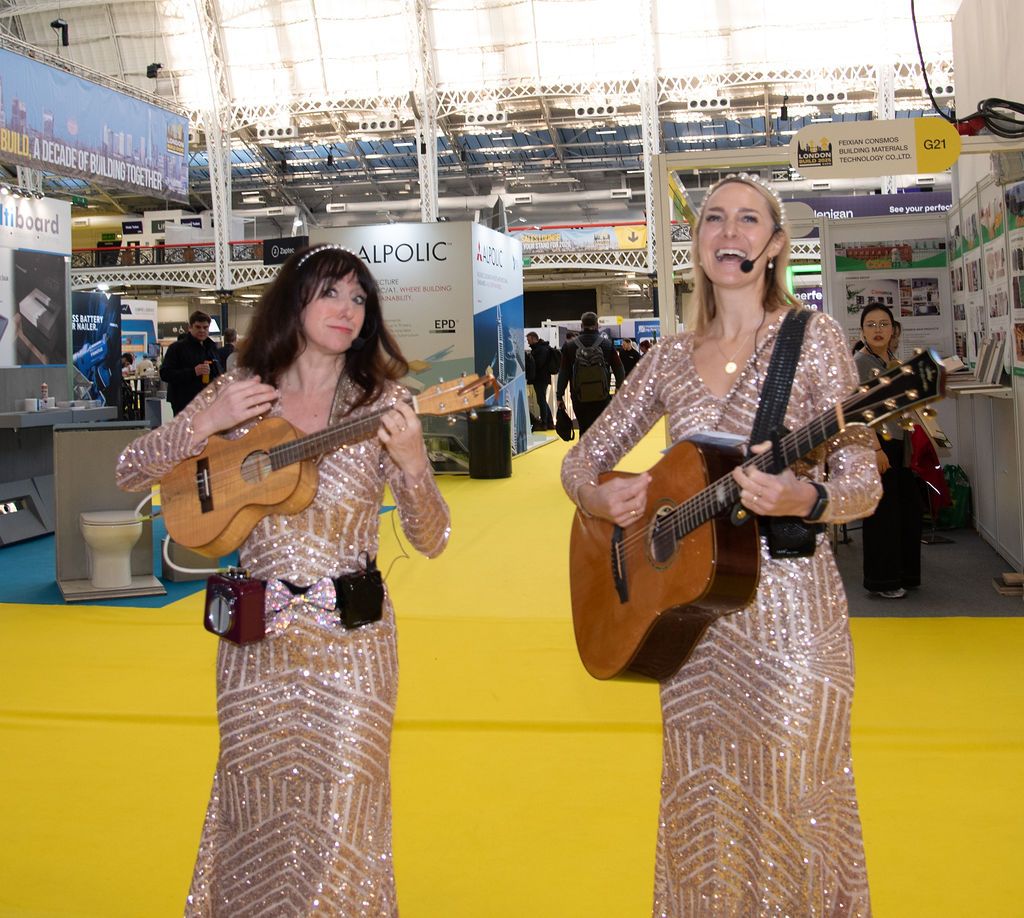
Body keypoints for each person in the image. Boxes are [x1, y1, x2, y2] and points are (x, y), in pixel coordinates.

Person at [561, 173, 880, 915]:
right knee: (703, 810)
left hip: (794, 620)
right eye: (713, 219)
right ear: (698, 242)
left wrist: (809, 498)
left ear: (775, 245)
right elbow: (584, 457)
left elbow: (863, 477)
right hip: (692, 626)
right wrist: (597, 496)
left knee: (800, 800)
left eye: (748, 220)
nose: (729, 232)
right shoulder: (668, 357)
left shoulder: (815, 338)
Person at [116, 244, 450, 915]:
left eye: (359, 299)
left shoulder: (381, 403)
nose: (348, 310)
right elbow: (130, 471)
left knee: (346, 812)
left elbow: (431, 538)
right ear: (294, 303)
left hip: (354, 650)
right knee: (252, 805)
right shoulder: (241, 394)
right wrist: (202, 423)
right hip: (254, 647)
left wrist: (415, 466)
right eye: (331, 293)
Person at [855, 302, 922, 599]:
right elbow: (861, 411)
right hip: (878, 446)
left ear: (894, 329)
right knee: (882, 515)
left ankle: (904, 574)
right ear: (862, 331)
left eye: (883, 324)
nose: (878, 330)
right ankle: (883, 581)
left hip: (899, 442)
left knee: (906, 510)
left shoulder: (893, 359)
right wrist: (875, 449)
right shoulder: (861, 362)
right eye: (871, 325)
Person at [555, 311, 623, 436]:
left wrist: (559, 396)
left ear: (581, 325)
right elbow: (619, 370)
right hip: (602, 396)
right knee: (602, 430)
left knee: (584, 428)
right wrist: (618, 389)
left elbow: (563, 373)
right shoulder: (607, 344)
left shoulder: (569, 346)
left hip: (579, 396)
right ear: (597, 325)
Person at [159, 311, 223, 414]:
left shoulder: (212, 347)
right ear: (190, 327)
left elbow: (218, 371)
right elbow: (165, 374)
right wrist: (193, 372)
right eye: (198, 327)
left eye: (205, 327)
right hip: (184, 402)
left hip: (208, 402)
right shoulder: (177, 348)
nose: (202, 330)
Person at [526, 331, 555, 429]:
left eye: (529, 340)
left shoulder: (540, 349)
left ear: (534, 338)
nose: (528, 342)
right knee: (541, 400)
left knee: (541, 400)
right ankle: (549, 422)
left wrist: (530, 361)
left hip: (540, 379)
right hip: (542, 378)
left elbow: (538, 364)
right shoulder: (541, 348)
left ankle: (545, 423)